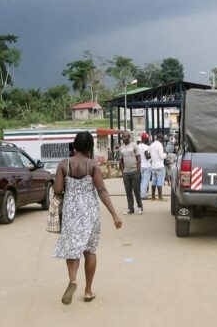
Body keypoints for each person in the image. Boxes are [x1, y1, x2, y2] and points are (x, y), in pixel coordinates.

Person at [53, 131, 122, 305]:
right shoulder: (92, 165)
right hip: (89, 213)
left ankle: (73, 279)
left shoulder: (63, 164)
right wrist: (114, 214)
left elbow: (57, 190)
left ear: (75, 145)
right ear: (90, 146)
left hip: (70, 212)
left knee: (72, 248)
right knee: (89, 251)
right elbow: (102, 191)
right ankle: (88, 291)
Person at [119, 131, 143, 214]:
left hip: (134, 172)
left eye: (125, 137)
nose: (123, 138)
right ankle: (130, 208)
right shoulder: (121, 148)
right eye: (122, 137)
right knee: (128, 192)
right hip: (126, 173)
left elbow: (139, 158)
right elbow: (121, 161)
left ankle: (140, 207)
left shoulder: (134, 146)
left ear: (129, 137)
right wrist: (123, 172)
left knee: (136, 191)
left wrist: (138, 170)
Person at [150, 134, 167, 201]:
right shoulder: (159, 145)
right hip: (160, 166)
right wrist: (165, 154)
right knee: (160, 181)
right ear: (161, 139)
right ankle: (160, 197)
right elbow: (161, 156)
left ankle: (153, 196)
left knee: (154, 181)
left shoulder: (151, 145)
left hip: (153, 166)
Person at [137, 133, 151, 201]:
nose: (148, 140)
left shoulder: (138, 146)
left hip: (141, 165)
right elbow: (147, 157)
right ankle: (143, 195)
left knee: (142, 181)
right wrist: (152, 155)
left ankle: (141, 194)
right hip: (146, 166)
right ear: (145, 139)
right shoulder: (145, 147)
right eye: (147, 139)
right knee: (145, 181)